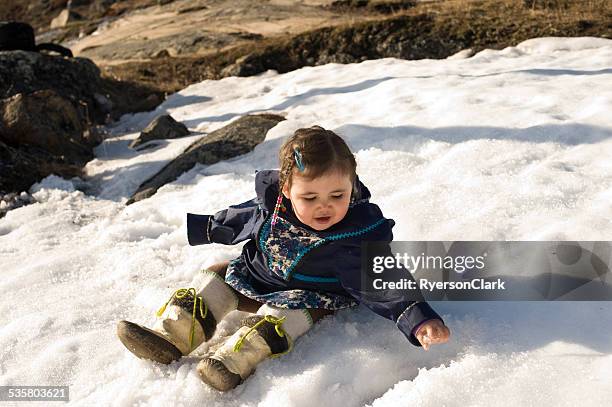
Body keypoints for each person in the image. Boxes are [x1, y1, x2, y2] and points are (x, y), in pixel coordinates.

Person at [117, 126, 450, 391]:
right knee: (218, 274)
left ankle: (231, 364)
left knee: (283, 316)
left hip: (314, 296)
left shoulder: (353, 234)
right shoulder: (272, 206)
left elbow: (383, 279)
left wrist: (416, 317)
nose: (325, 206)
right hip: (260, 277)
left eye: (338, 195)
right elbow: (239, 218)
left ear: (352, 186)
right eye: (310, 197)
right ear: (286, 189)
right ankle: (173, 336)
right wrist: (207, 227)